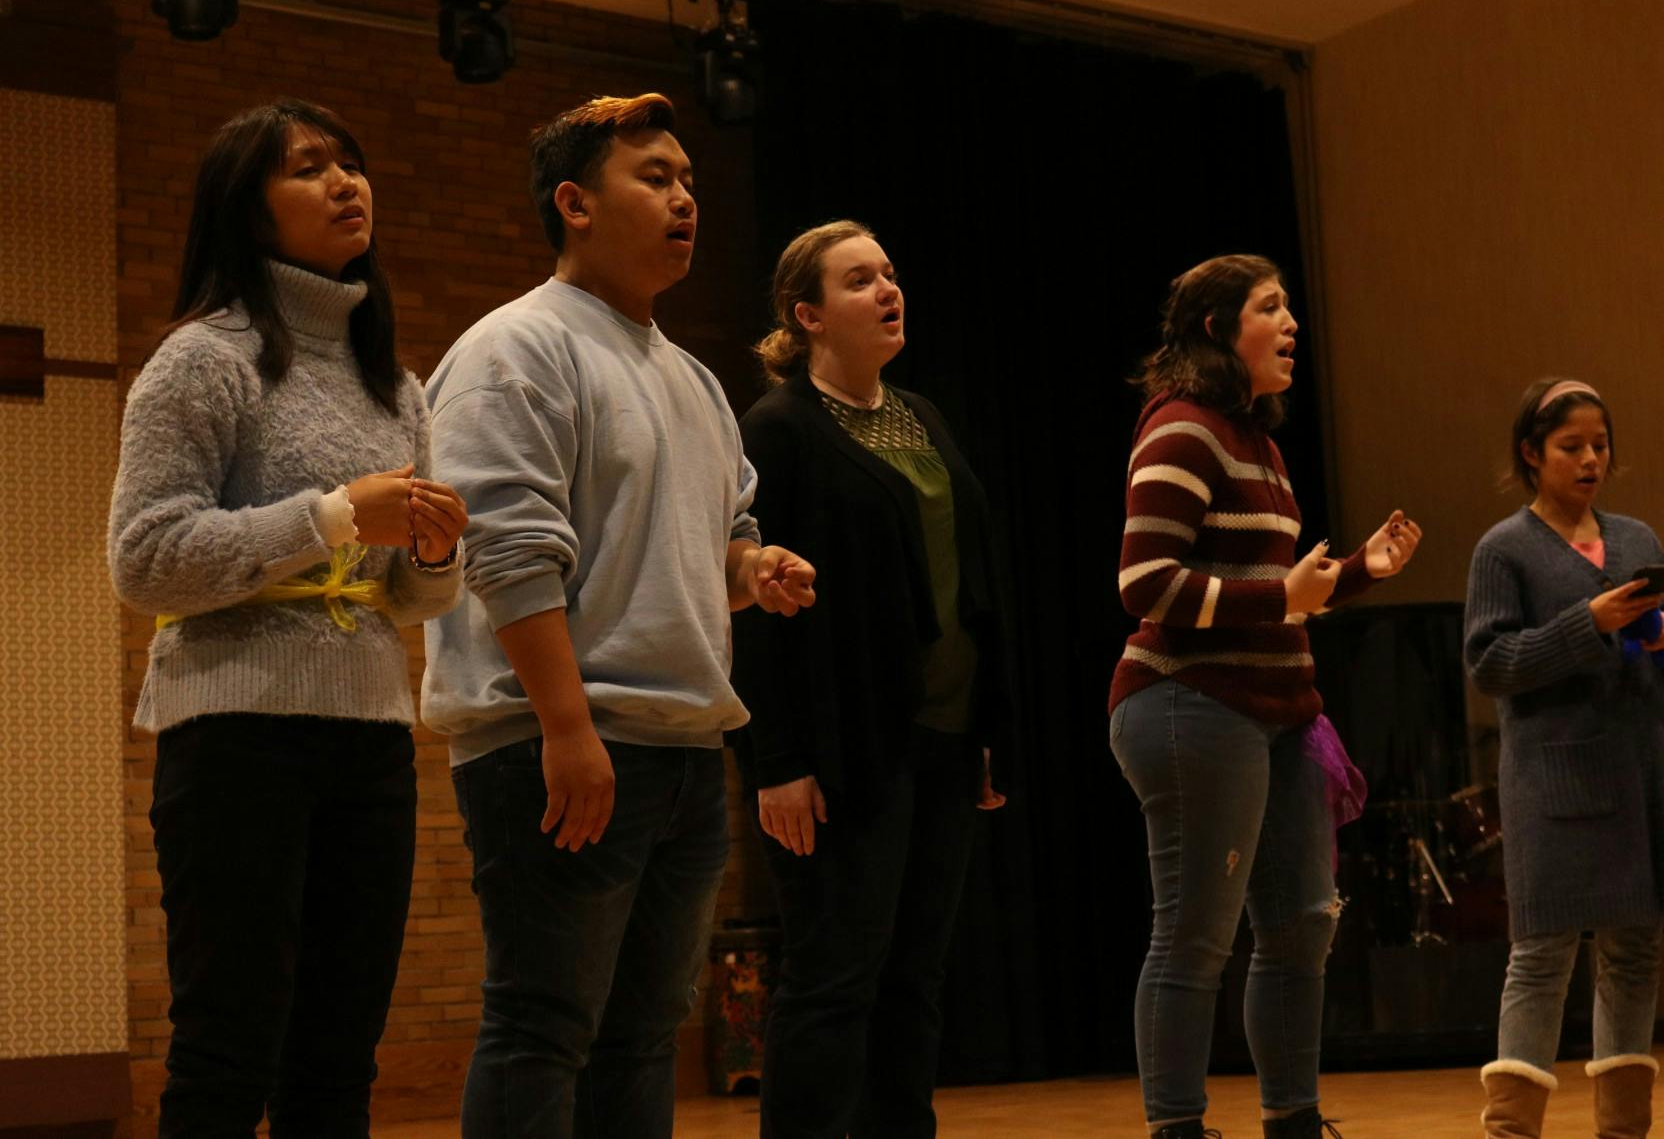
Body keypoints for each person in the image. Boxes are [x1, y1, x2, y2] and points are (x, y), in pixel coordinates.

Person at [421, 93, 816, 1138]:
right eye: (654, 177)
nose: (685, 198)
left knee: (642, 1037)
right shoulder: (515, 348)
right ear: (574, 204)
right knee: (542, 1025)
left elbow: (715, 545)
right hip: (558, 742)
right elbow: (505, 550)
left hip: (679, 749)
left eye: (688, 179)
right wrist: (565, 725)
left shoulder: (692, 379)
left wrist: (753, 567)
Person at [109, 98, 466, 1137]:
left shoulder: (394, 384)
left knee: (338, 1061)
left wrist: (435, 553)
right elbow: (145, 558)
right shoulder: (202, 359)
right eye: (307, 168)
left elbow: (409, 599)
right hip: (234, 737)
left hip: (371, 740)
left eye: (349, 162)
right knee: (226, 1052)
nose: (345, 181)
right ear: (247, 208)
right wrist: (335, 514)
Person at [1109, 253, 1419, 1139]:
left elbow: (1274, 594)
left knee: (1300, 927)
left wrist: (1357, 571)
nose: (1291, 325)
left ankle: (1293, 1119)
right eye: (1270, 308)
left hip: (1277, 711)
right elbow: (1145, 583)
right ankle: (1177, 1127)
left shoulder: (1258, 441)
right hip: (1190, 703)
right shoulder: (1182, 428)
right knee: (1195, 934)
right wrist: (1284, 594)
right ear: (1218, 328)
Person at [735, 219, 1011, 1138]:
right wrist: (776, 759)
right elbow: (754, 607)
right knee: (834, 976)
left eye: (889, 273)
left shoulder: (922, 414)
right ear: (807, 314)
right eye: (859, 280)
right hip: (844, 746)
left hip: (944, 737)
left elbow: (970, 578)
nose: (888, 289)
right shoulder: (777, 428)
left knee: (914, 977)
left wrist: (981, 729)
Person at [1463, 378, 1664, 1139]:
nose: (1590, 459)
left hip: (1641, 772)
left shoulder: (1635, 538)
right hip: (1555, 781)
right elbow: (1489, 663)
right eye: (1571, 446)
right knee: (1541, 956)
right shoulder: (1504, 548)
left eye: (1600, 445)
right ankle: (1511, 1131)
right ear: (1531, 453)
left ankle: (1623, 1130)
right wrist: (1588, 622)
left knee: (1635, 952)